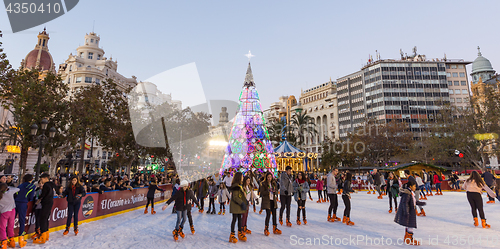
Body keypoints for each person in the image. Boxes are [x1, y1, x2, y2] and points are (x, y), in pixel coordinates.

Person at [394, 181, 426, 245]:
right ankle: (409, 239)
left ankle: (407, 238)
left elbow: (413, 201)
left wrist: (420, 203)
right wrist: (406, 212)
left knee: (409, 224)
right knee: (410, 225)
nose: (415, 187)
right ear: (410, 186)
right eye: (414, 186)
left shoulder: (410, 193)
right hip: (409, 211)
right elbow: (405, 203)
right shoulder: (407, 193)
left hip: (411, 210)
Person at [33, 173, 56, 244]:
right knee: (45, 219)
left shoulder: (46, 185)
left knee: (42, 219)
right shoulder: (51, 185)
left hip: (46, 203)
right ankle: (46, 235)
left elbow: (44, 194)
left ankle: (42, 236)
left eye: (42, 179)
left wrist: (40, 198)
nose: (41, 180)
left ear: (46, 178)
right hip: (49, 203)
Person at [14, 174, 35, 242]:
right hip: (23, 203)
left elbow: (16, 193)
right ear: (31, 179)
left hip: (16, 202)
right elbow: (31, 197)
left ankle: (8, 236)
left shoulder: (20, 185)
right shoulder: (32, 186)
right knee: (22, 220)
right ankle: (21, 237)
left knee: (12, 220)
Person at [227, 172, 247, 243]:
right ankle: (232, 235)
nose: (243, 178)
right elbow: (235, 197)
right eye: (242, 177)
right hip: (236, 205)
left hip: (238, 205)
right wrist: (242, 203)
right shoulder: (236, 186)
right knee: (234, 219)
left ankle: (240, 233)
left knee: (239, 219)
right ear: (239, 177)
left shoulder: (239, 185)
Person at [260, 172, 281, 236]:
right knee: (268, 214)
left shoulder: (274, 183)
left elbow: (276, 191)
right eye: (268, 177)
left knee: (274, 214)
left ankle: (275, 228)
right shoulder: (263, 184)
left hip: (273, 200)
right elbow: (262, 193)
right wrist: (268, 190)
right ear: (266, 178)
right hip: (267, 201)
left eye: (270, 177)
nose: (269, 178)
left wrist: (275, 191)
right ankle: (266, 228)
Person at [0, 182, 20, 248]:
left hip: (4, 212)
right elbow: (17, 189)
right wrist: (9, 188)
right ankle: (12, 242)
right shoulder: (10, 192)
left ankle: (4, 242)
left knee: (2, 228)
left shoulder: (0, 195)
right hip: (12, 211)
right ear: (6, 188)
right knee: (10, 226)